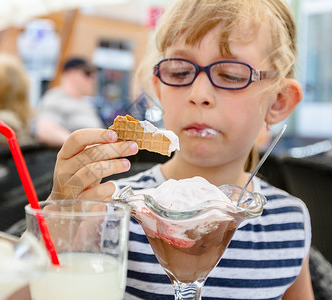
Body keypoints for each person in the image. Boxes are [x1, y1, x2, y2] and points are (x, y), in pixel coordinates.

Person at [47, 0, 313, 299]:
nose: (199, 94)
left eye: (231, 75)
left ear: (278, 102)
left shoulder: (288, 222)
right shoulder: (109, 209)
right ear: (158, 87)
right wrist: (60, 222)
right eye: (178, 71)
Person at [34, 57, 104, 147]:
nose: (93, 79)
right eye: (87, 73)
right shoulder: (56, 98)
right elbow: (45, 130)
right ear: (70, 73)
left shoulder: (86, 103)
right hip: (77, 157)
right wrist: (82, 146)